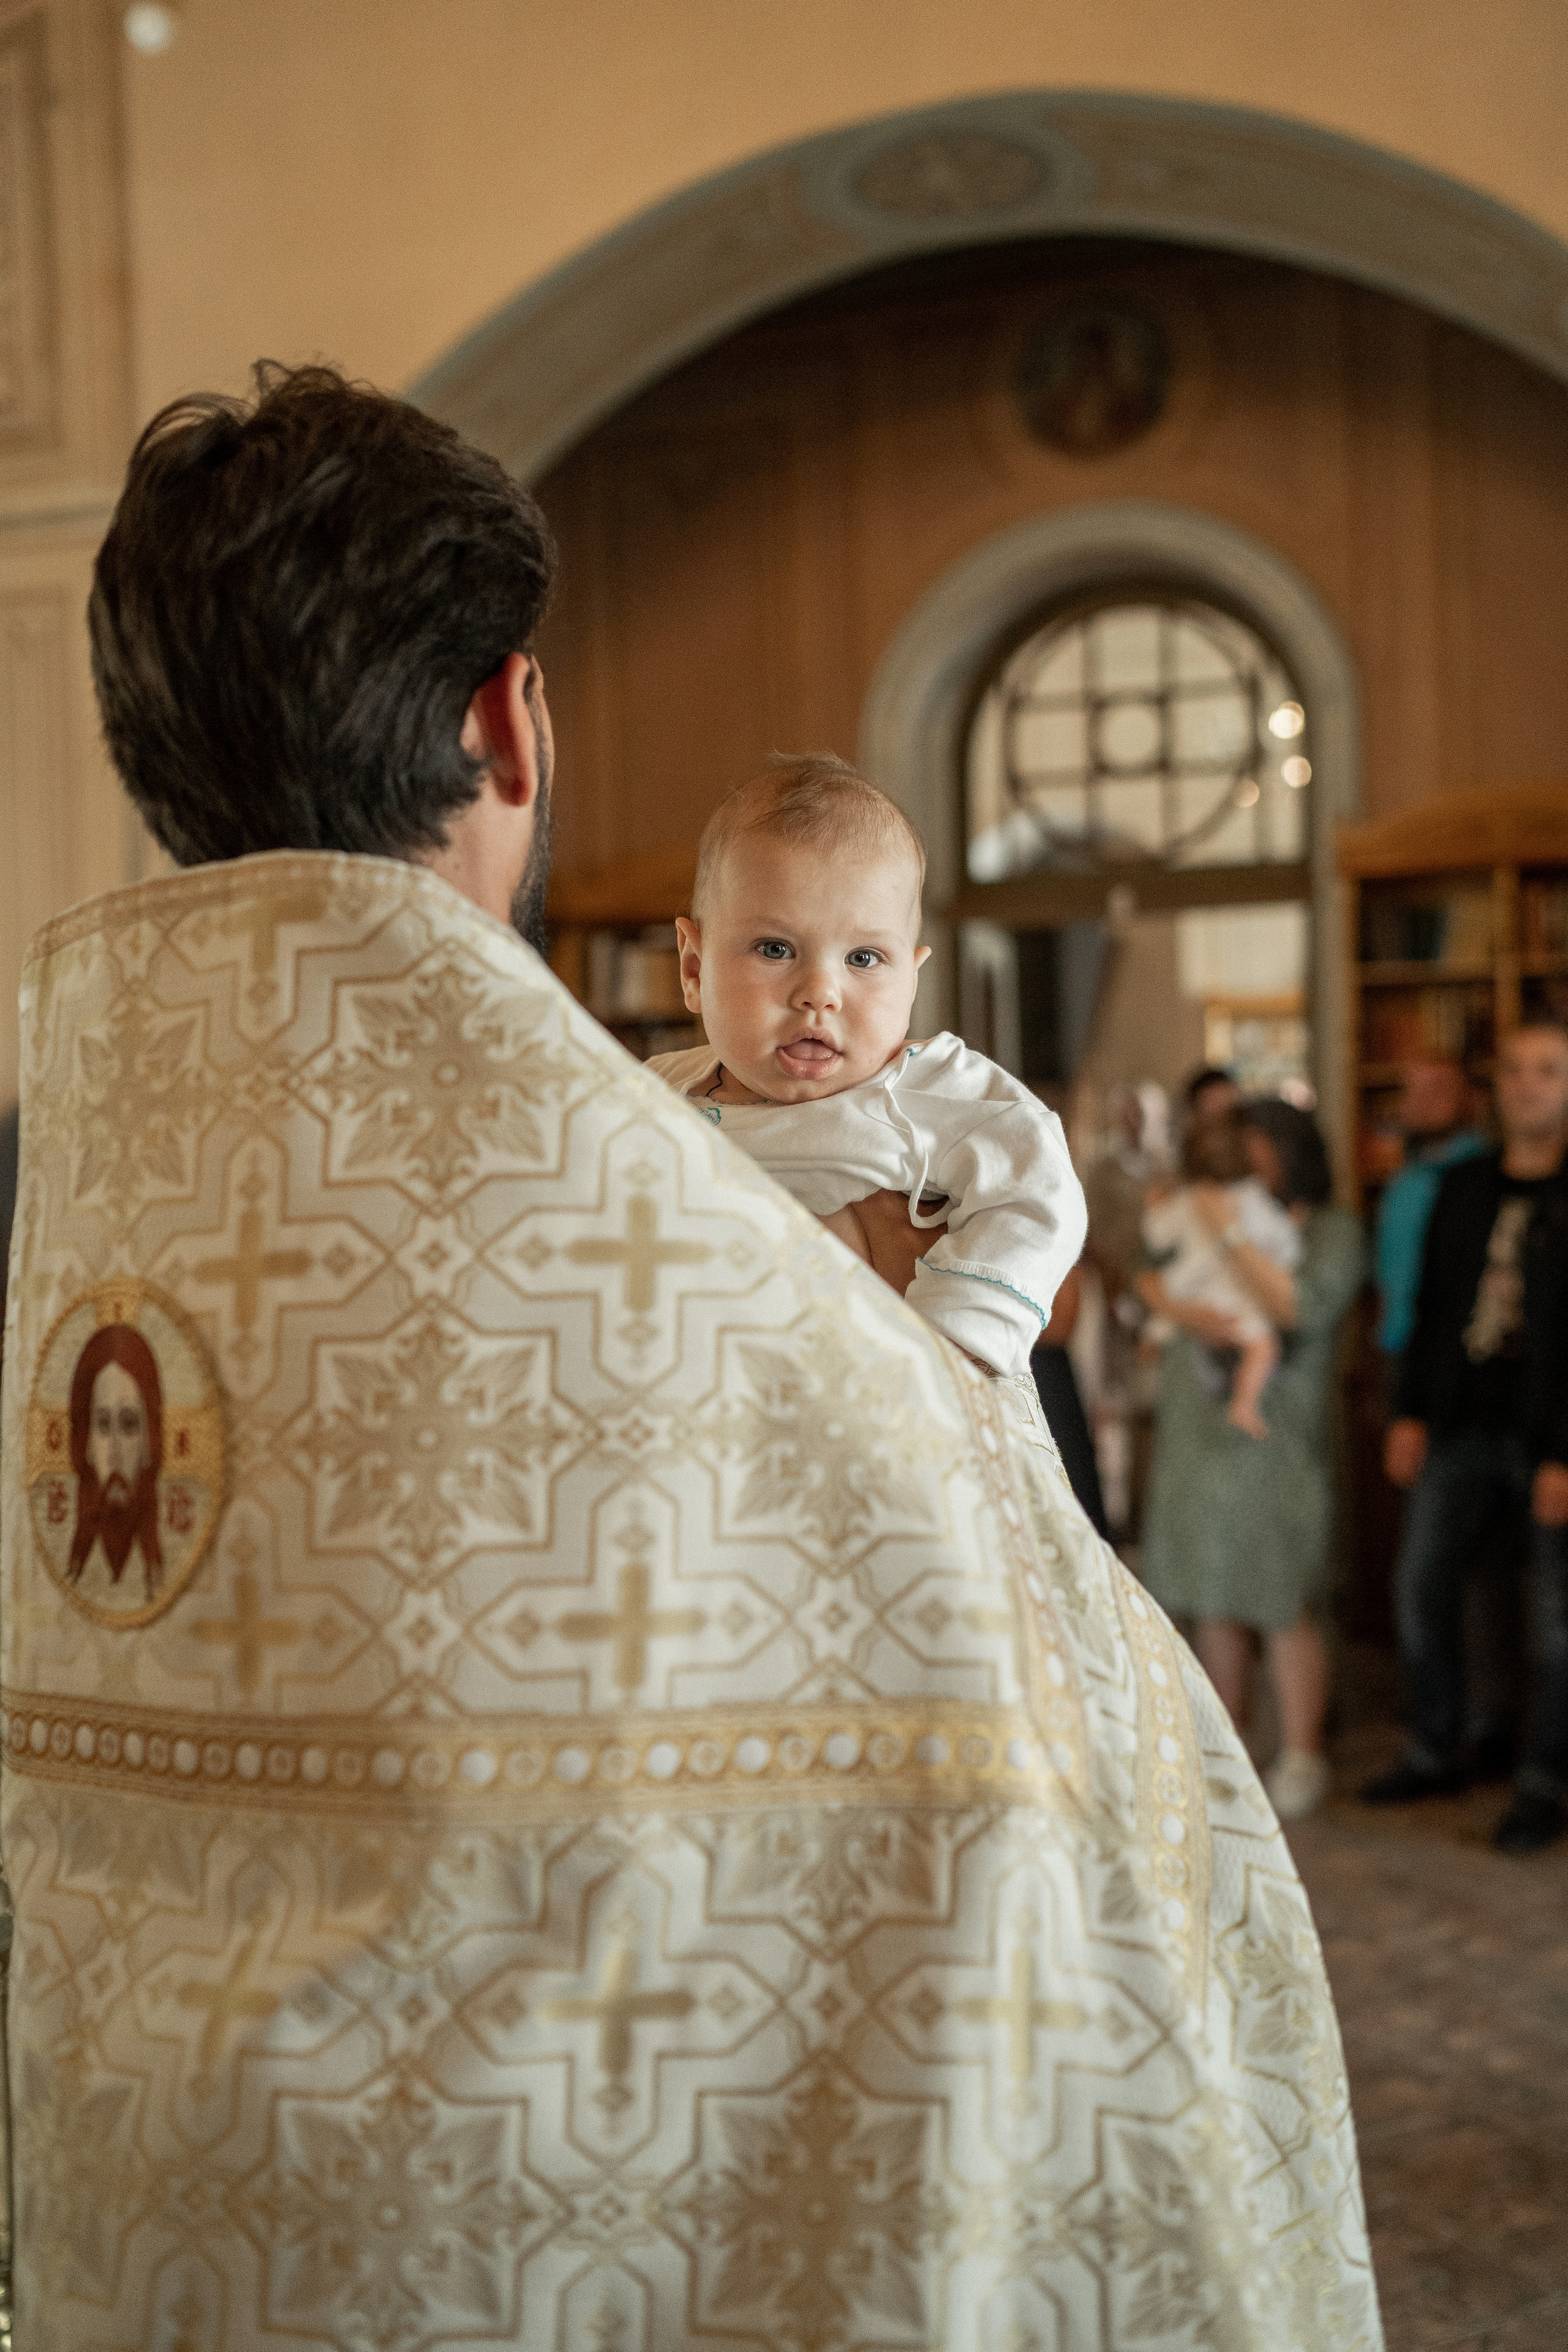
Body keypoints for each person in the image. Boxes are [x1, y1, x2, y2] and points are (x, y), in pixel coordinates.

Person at [0, 364, 1381, 2346]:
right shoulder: (660, 1206)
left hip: (152, 2228)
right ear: (510, 719)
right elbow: (1066, 1821)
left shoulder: (67, 1168)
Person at [650, 757, 1087, 1381]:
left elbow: (1036, 1191)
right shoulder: (651, 1092)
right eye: (775, 949)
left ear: (912, 978)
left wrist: (948, 1342)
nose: (819, 992)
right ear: (694, 969)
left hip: (878, 1384)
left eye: (863, 957)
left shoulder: (933, 1091)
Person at [1363, 1024, 1568, 1853]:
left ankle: (1543, 1779)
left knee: (1553, 1616)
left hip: (1548, 1430)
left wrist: (1564, 1450)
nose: (1529, 1085)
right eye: (1515, 1071)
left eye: (1548, 1071)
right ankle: (1437, 1744)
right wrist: (1408, 1411)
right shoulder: (1463, 1186)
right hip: (1459, 1420)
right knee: (1423, 1586)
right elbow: (1438, 1310)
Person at [1138, 1099, 1364, 1821]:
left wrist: (1223, 1227)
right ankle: (1224, 1750)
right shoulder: (1197, 1201)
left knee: (1280, 1587)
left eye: (1254, 1144)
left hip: (1276, 1435)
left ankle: (1301, 1753)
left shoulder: (1329, 1229)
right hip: (1197, 1427)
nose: (1240, 1157)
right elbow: (1147, 1271)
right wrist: (1181, 1311)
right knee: (1210, 1589)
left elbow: (1301, 1308)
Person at [1141, 1109, 1305, 1439]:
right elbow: (1282, 1242)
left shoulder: (1187, 1198)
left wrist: (1153, 1207)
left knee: (1169, 1320)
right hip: (1235, 1293)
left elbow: (1157, 1236)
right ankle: (1244, 1404)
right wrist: (1293, 1227)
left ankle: (1153, 1337)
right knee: (1263, 1346)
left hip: (1189, 1289)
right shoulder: (1252, 1197)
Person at [1374, 1057, 1490, 1357]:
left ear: (1470, 1098)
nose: (1422, 1101)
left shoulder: (1483, 1175)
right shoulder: (1407, 1175)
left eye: (1438, 1089)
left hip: (1456, 1348)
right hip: (1400, 1340)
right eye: (1412, 1090)